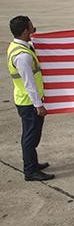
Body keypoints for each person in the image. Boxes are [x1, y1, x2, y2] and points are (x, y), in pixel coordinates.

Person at [7, 16, 54, 181]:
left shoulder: (18, 46)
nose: (34, 29)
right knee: (30, 137)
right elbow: (29, 83)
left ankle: (33, 163)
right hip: (28, 102)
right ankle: (30, 171)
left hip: (26, 100)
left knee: (31, 135)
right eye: (31, 27)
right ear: (25, 31)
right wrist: (38, 105)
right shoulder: (22, 56)